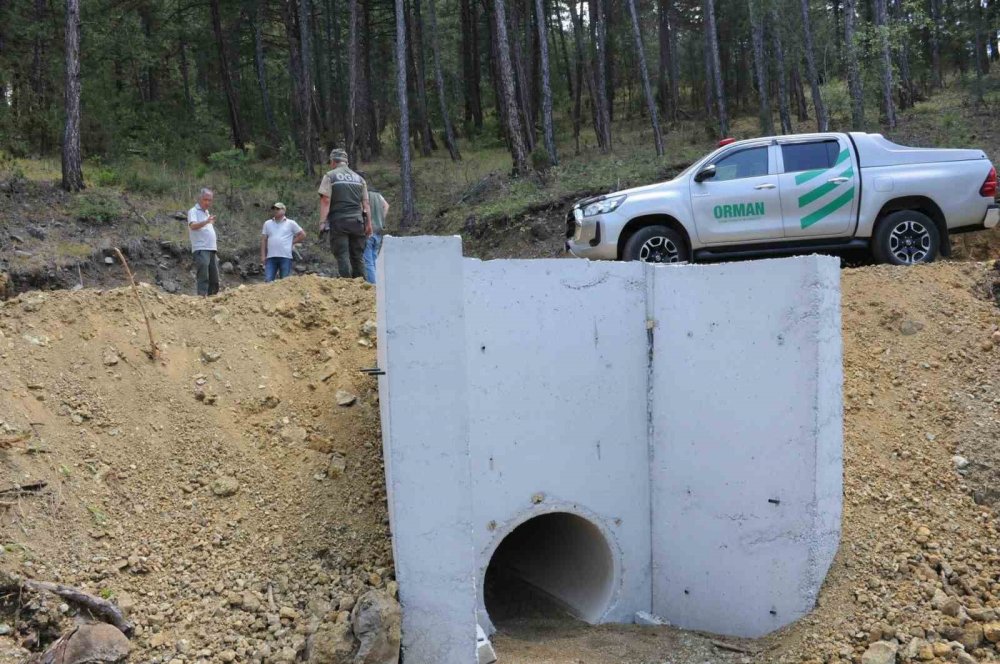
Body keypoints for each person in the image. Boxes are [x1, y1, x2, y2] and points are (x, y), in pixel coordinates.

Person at [318, 148, 371, 278]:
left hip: (339, 222)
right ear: (346, 162)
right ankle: (361, 287)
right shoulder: (359, 179)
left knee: (342, 255)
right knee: (357, 257)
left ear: (333, 161)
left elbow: (326, 200)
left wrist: (322, 222)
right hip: (358, 222)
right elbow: (366, 204)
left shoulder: (330, 176)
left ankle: (346, 287)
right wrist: (369, 224)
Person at [260, 202, 306, 282]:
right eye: (274, 209)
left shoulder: (291, 223)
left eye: (278, 209)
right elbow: (263, 240)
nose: (275, 210)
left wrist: (292, 242)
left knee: (285, 282)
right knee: (268, 280)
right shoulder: (267, 223)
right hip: (271, 257)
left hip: (285, 256)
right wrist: (263, 256)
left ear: (284, 210)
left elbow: (302, 234)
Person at [357, 173, 389, 284]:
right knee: (374, 258)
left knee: (368, 261)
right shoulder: (377, 194)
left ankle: (374, 285)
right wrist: (381, 219)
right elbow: (386, 205)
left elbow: (363, 209)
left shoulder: (363, 195)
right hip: (379, 230)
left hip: (368, 230)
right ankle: (379, 283)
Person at [187, 188, 219, 296]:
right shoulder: (193, 211)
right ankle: (202, 297)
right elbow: (192, 225)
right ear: (200, 199)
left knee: (214, 276)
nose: (208, 202)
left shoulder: (206, 212)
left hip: (211, 248)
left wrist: (209, 222)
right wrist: (206, 222)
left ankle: (212, 298)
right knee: (203, 275)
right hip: (201, 248)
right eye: (205, 200)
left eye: (210, 200)